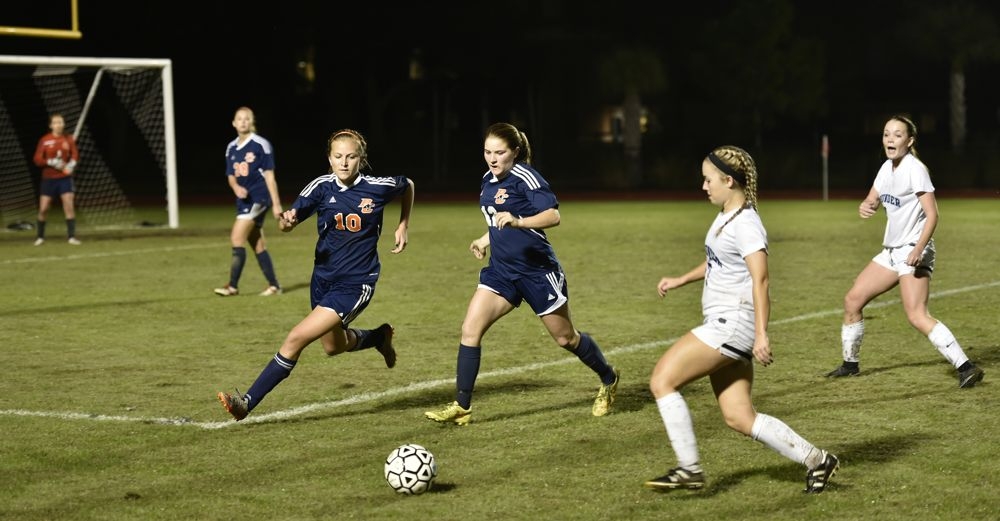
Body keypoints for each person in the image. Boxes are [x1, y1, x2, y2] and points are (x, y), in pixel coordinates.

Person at [644, 146, 839, 494]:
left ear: (728, 180)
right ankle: (817, 460)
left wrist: (761, 335)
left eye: (708, 180)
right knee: (739, 417)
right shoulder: (727, 216)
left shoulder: (746, 223)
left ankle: (689, 469)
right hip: (729, 326)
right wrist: (680, 279)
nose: (703, 186)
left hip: (731, 325)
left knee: (662, 380)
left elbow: (760, 279)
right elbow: (718, 261)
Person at [424, 122, 620, 426]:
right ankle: (462, 406)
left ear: (514, 151)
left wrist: (519, 221)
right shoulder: (488, 180)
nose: (492, 158)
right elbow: (496, 220)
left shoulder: (526, 177)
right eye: (487, 152)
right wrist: (484, 239)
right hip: (502, 273)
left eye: (499, 152)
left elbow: (553, 216)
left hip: (537, 271)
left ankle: (608, 378)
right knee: (470, 330)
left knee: (566, 338)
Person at [217, 128, 414, 421]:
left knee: (296, 337)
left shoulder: (377, 186)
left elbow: (407, 184)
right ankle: (378, 337)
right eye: (338, 157)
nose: (344, 163)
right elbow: (291, 220)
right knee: (334, 346)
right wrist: (287, 222)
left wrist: (403, 224)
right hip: (322, 279)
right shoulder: (321, 187)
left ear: (361, 159)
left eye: (351, 157)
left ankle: (246, 402)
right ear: (329, 159)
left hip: (355, 283)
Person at [826, 115, 984, 388]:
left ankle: (966, 367)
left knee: (916, 314)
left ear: (909, 141)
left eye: (897, 134)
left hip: (914, 248)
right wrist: (866, 206)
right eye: (887, 134)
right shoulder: (886, 168)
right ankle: (850, 365)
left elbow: (933, 214)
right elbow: (872, 199)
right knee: (853, 300)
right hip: (892, 251)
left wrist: (919, 250)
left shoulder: (915, 169)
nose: (890, 139)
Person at [214, 106, 284, 297]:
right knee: (257, 243)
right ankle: (274, 285)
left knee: (237, 237)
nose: (243, 121)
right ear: (234, 123)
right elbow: (230, 175)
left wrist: (277, 204)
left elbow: (270, 176)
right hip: (243, 201)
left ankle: (232, 286)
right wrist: (236, 187)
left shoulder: (261, 144)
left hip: (259, 197)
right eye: (240, 119)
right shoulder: (231, 147)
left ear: (251, 122)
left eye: (247, 119)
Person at [32, 113, 81, 246]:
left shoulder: (68, 139)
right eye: (56, 123)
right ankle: (40, 237)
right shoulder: (45, 140)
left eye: (61, 122)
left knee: (68, 205)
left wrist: (71, 165)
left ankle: (71, 237)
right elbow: (37, 159)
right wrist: (50, 162)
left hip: (64, 178)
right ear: (51, 125)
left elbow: (75, 154)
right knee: (43, 209)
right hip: (48, 179)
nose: (59, 125)